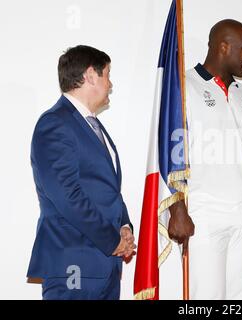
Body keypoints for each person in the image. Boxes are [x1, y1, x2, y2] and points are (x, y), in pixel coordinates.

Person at [167, 19, 242, 299]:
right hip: (204, 216)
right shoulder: (183, 86)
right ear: (223, 47)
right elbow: (170, 156)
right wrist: (177, 209)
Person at [27, 45, 136, 300]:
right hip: (73, 263)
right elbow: (67, 196)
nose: (110, 84)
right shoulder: (54, 123)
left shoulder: (93, 126)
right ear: (90, 75)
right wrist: (112, 241)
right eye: (107, 74)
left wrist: (124, 225)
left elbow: (107, 190)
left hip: (105, 266)